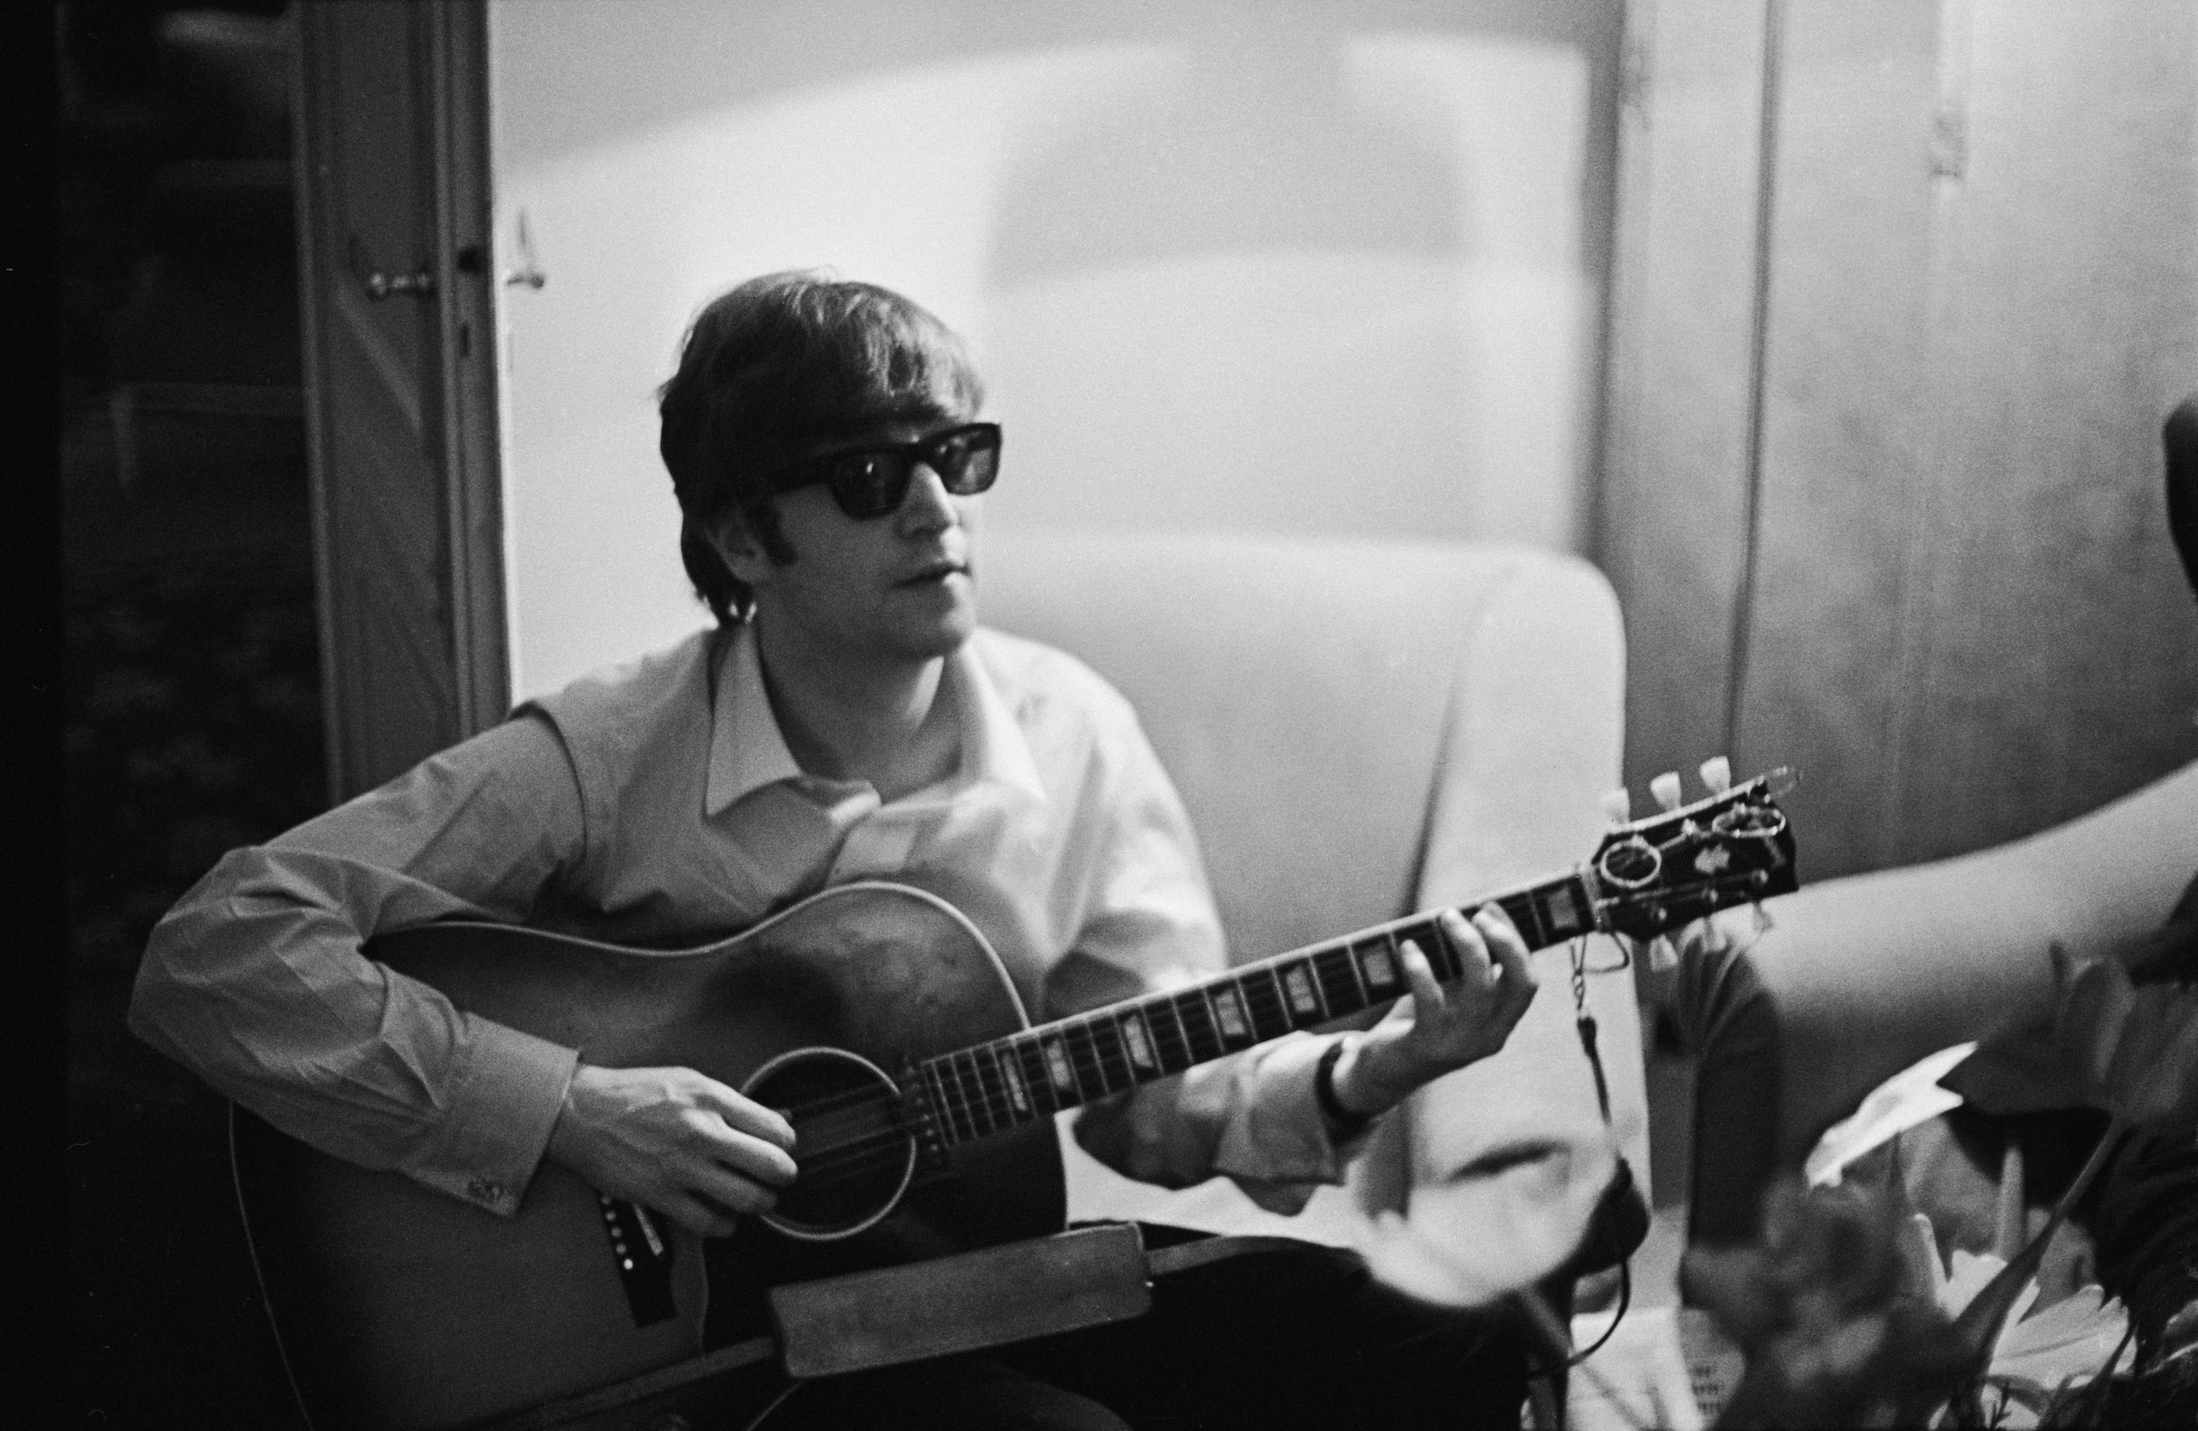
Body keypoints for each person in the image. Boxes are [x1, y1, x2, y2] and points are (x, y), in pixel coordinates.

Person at [131, 272, 1547, 1430]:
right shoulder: (604, 755)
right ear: (746, 540)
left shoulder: (1072, 735)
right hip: (719, 1354)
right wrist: (569, 1110)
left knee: (1450, 1344)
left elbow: (1151, 1103)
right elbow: (216, 953)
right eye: (871, 478)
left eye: (956, 457)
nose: (939, 511)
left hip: (981, 1283)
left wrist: (1375, 1069)